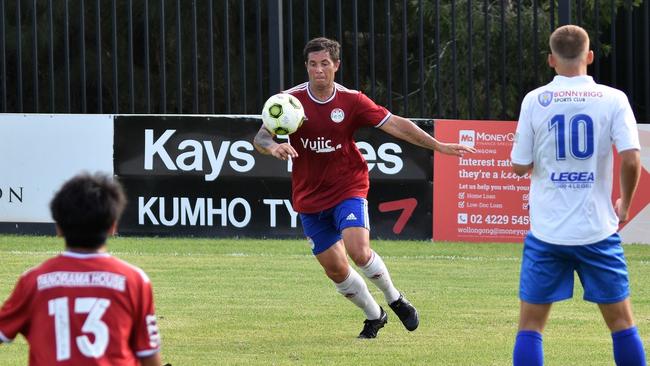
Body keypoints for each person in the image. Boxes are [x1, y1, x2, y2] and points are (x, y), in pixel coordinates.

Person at [253, 37, 475, 338]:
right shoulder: (287, 102)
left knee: (359, 250)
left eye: (325, 64)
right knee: (336, 270)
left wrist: (438, 145)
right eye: (313, 64)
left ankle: (395, 297)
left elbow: (394, 123)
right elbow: (261, 137)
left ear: (336, 66)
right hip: (309, 197)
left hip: (348, 187)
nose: (319, 70)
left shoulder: (351, 101)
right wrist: (273, 147)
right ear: (306, 67)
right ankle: (374, 315)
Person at [510, 25, 645, 365]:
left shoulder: (534, 100)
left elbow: (519, 166)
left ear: (551, 59)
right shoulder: (613, 99)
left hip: (547, 233)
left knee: (530, 326)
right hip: (597, 230)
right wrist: (624, 206)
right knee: (621, 324)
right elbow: (631, 158)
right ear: (590, 57)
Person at [0, 173, 162, 366]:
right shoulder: (134, 281)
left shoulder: (34, 281)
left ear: (58, 227)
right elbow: (149, 356)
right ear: (113, 226)